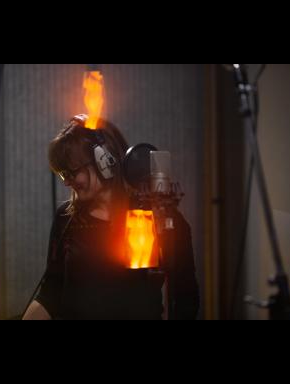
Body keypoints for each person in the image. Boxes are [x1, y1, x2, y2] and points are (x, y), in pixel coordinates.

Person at [23, 115, 199, 320]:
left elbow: (186, 297)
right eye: (63, 174)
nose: (67, 182)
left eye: (72, 172)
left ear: (104, 162)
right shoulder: (66, 218)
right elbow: (50, 293)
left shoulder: (158, 218)